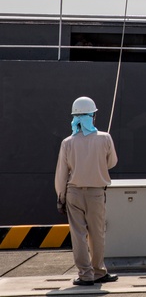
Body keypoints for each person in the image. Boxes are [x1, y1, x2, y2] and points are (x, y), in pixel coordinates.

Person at [54, 96, 119, 286]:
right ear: (93, 116)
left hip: (73, 193)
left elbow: (61, 173)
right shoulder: (105, 138)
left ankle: (85, 274)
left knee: (78, 235)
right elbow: (112, 162)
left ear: (74, 117)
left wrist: (60, 196)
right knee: (98, 233)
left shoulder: (67, 142)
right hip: (97, 193)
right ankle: (99, 271)